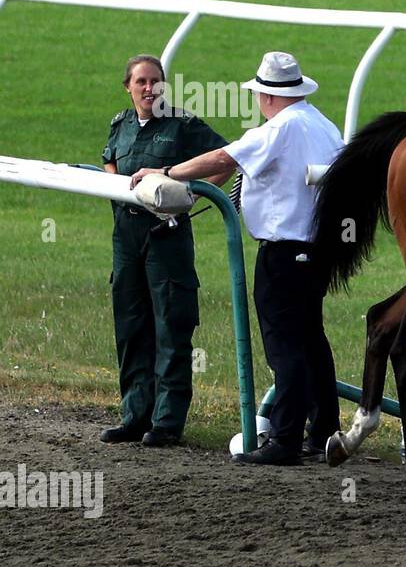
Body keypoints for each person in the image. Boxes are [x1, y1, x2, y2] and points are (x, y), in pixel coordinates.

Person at [131, 51, 344, 466]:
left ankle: (284, 438)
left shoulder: (279, 128)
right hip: (316, 250)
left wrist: (167, 173)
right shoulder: (323, 124)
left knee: (286, 348)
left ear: (266, 96)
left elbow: (225, 158)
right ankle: (322, 433)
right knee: (311, 341)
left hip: (284, 251)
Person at [100, 55, 231, 448]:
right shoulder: (119, 125)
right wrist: (119, 186)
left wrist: (188, 196)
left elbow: (225, 158)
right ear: (128, 86)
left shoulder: (183, 125)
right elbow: (108, 160)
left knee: (170, 327)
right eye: (141, 81)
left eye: (155, 81)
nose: (148, 88)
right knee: (131, 326)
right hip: (126, 238)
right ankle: (133, 417)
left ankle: (167, 423)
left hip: (166, 236)